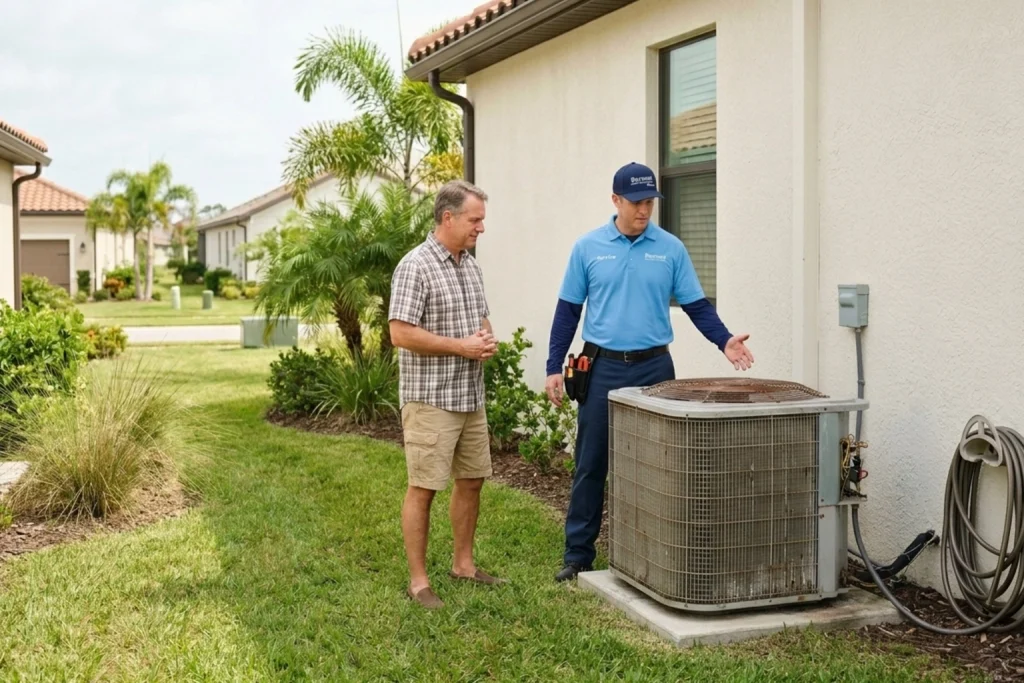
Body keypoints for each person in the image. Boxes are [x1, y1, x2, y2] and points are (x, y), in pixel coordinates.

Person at [545, 162, 755, 583]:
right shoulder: (588, 248)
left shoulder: (670, 249)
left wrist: (724, 340)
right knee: (591, 463)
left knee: (660, 465)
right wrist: (554, 367)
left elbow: (696, 305)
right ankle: (578, 555)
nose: (644, 210)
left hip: (656, 368)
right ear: (616, 200)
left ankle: (653, 551)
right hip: (601, 368)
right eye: (636, 202)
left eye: (650, 203)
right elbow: (568, 311)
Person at [388, 179, 506, 609]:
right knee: (424, 487)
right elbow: (400, 333)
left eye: (482, 220)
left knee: (472, 481)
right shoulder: (415, 266)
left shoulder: (470, 266)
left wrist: (486, 340)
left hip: (469, 396)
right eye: (475, 220)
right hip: (430, 399)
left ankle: (464, 565)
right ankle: (419, 582)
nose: (481, 228)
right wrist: (461, 347)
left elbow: (480, 319)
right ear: (448, 217)